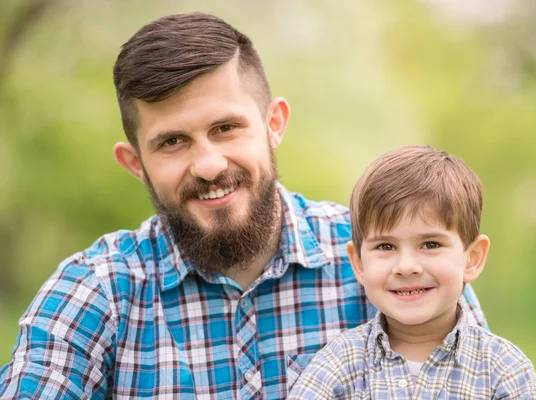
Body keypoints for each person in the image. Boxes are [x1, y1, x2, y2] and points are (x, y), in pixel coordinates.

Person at [0, 13, 487, 400]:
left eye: (225, 128)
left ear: (274, 123)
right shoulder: (96, 292)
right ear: (135, 163)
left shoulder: (390, 265)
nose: (209, 165)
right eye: (172, 141)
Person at [287, 145, 536, 399]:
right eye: (386, 246)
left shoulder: (504, 371)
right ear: (360, 264)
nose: (407, 266)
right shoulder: (337, 365)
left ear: (472, 259)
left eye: (431, 244)